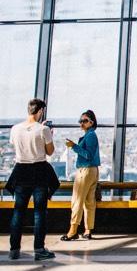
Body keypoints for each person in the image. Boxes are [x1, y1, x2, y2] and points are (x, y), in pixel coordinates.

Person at [6, 99, 58, 261]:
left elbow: (15, 146)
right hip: (39, 172)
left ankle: (14, 250)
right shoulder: (43, 130)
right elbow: (50, 152)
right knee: (39, 212)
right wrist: (49, 134)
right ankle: (39, 249)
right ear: (41, 111)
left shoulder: (15, 129)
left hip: (21, 171)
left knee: (18, 211)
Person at [61, 110, 101, 241]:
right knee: (89, 201)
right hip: (92, 171)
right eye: (80, 121)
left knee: (77, 200)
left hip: (85, 171)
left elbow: (88, 155)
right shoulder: (91, 135)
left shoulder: (90, 136)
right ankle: (88, 230)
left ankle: (73, 230)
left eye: (84, 121)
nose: (81, 123)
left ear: (91, 122)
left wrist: (74, 146)